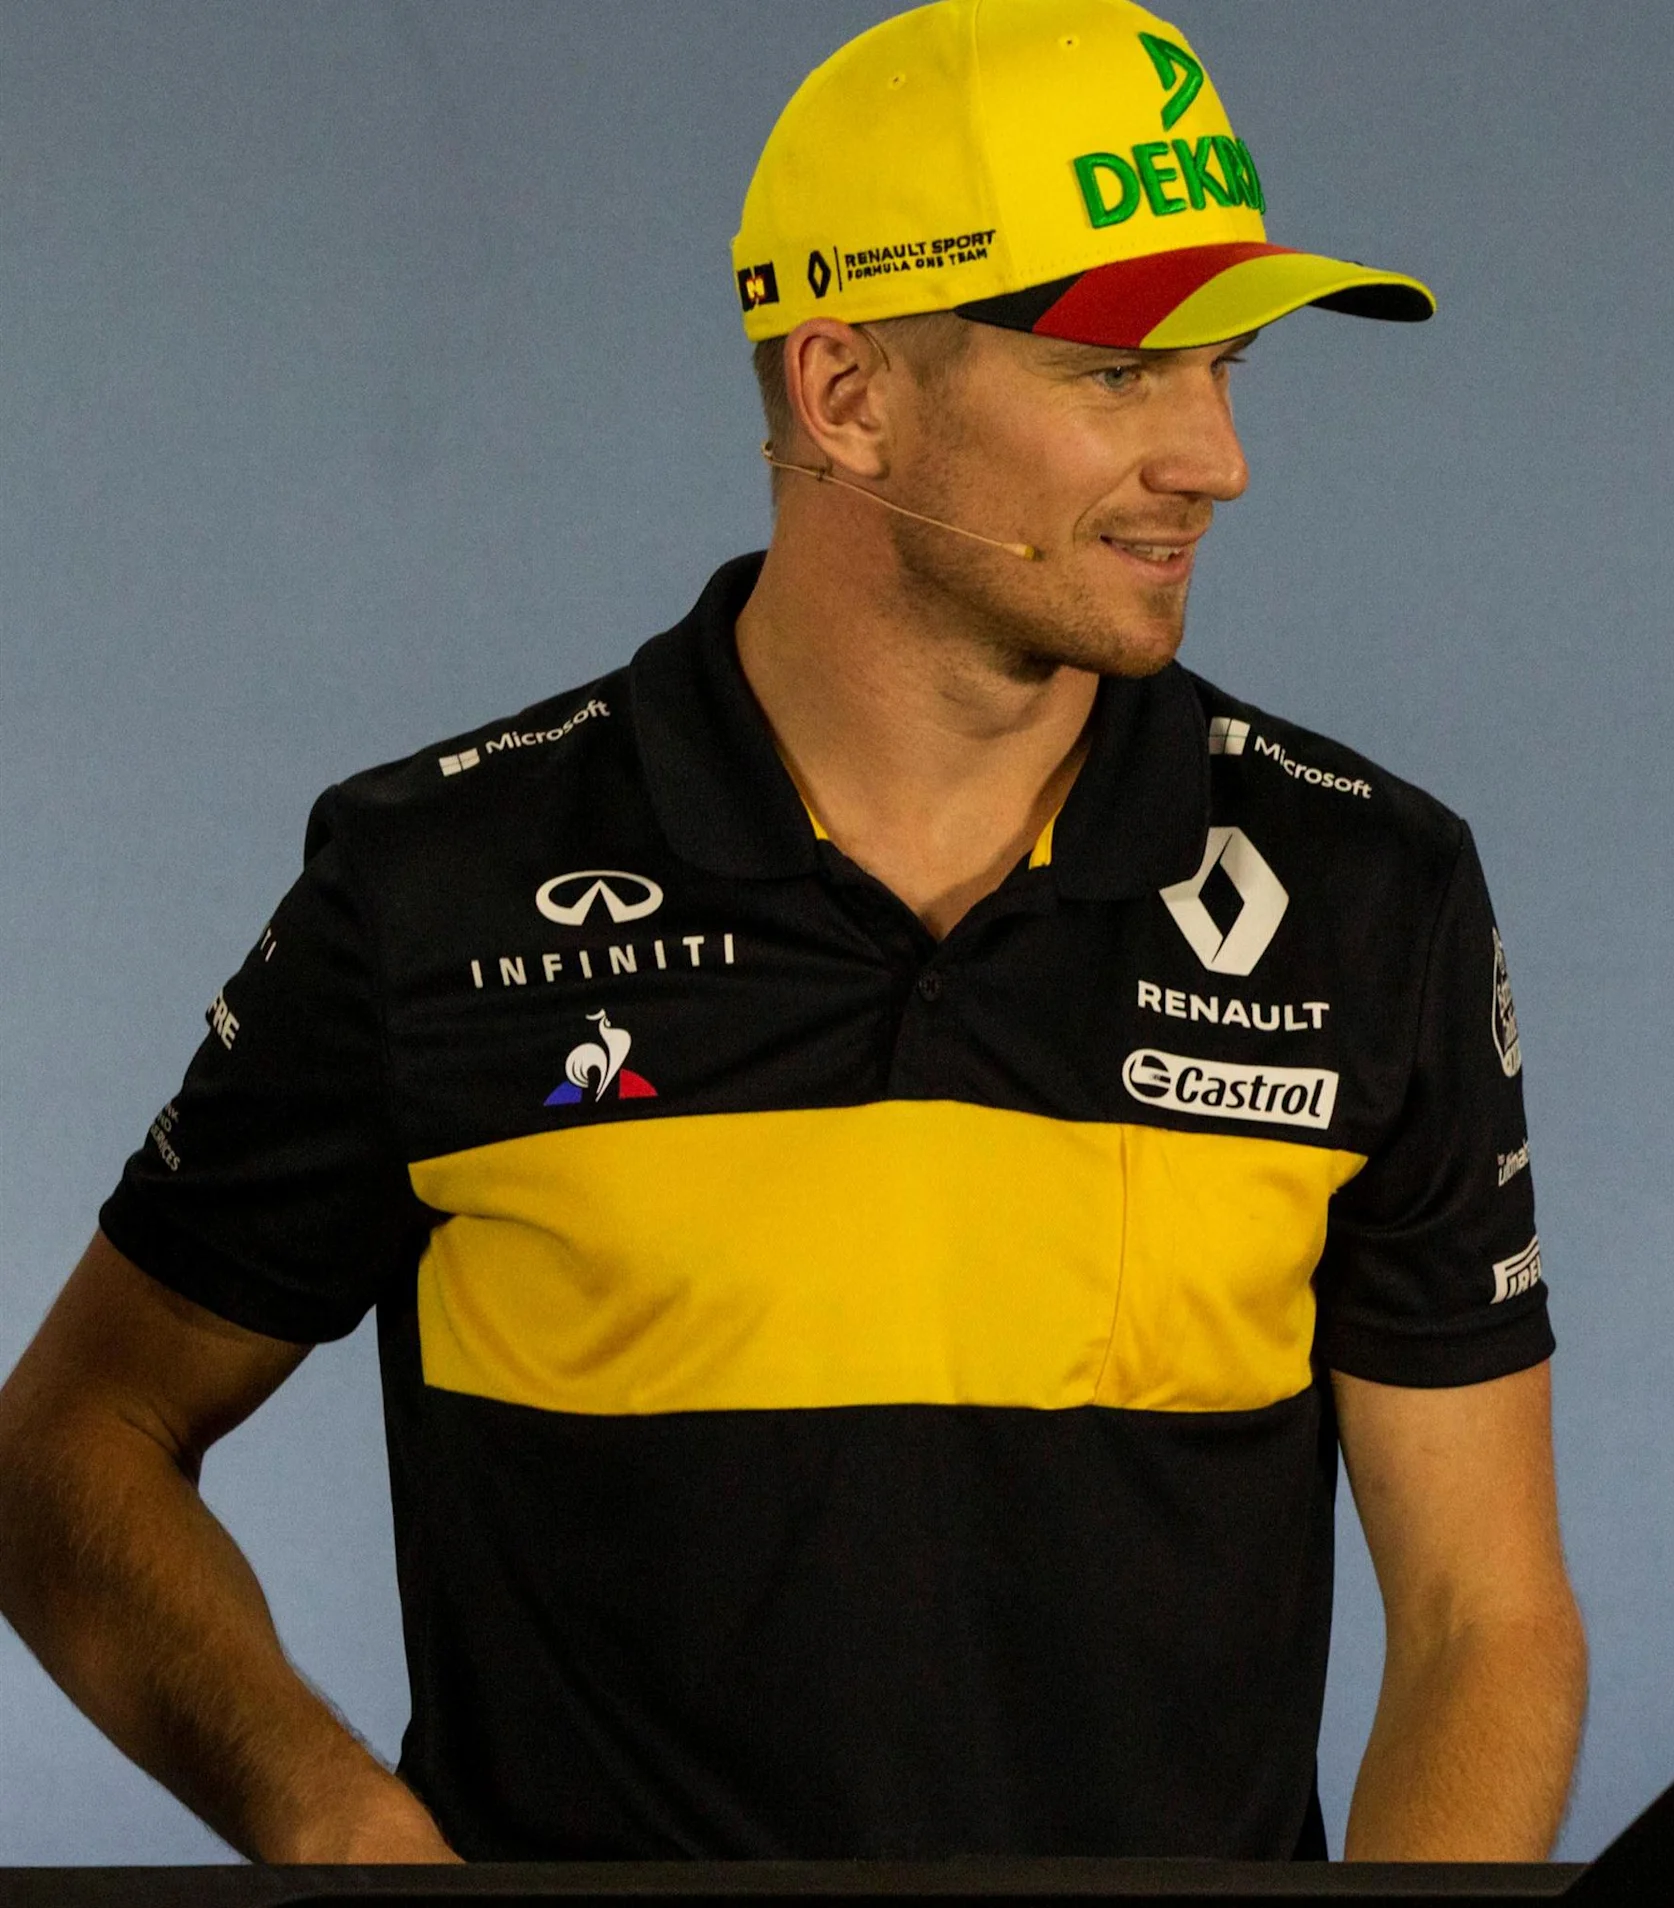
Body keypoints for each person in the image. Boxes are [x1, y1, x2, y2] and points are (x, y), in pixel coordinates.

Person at [0, 0, 1582, 1864]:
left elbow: (1485, 1619)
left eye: (1224, 369)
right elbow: (67, 1452)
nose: (1216, 458)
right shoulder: (441, 884)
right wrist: (340, 1828)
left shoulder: (1371, 893)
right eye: (1118, 376)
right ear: (846, 394)